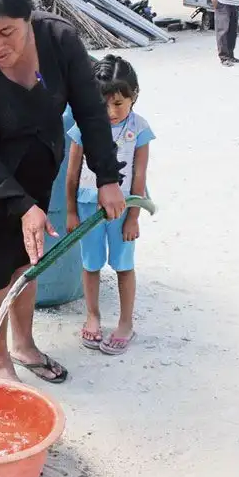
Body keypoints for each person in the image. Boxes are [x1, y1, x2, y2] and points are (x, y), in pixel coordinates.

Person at [0, 0, 128, 384]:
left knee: (25, 260)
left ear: (28, 18)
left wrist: (108, 177)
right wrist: (20, 205)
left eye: (6, 32)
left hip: (35, 154)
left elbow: (91, 113)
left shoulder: (59, 40)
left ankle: (24, 343)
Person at [65, 55, 154, 357]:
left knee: (123, 265)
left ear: (134, 96)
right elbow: (72, 172)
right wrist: (72, 212)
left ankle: (126, 323)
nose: (111, 112)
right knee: (90, 264)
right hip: (87, 205)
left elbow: (139, 174)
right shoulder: (84, 127)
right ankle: (93, 315)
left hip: (123, 208)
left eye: (118, 103)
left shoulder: (139, 129)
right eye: (104, 104)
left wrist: (133, 217)